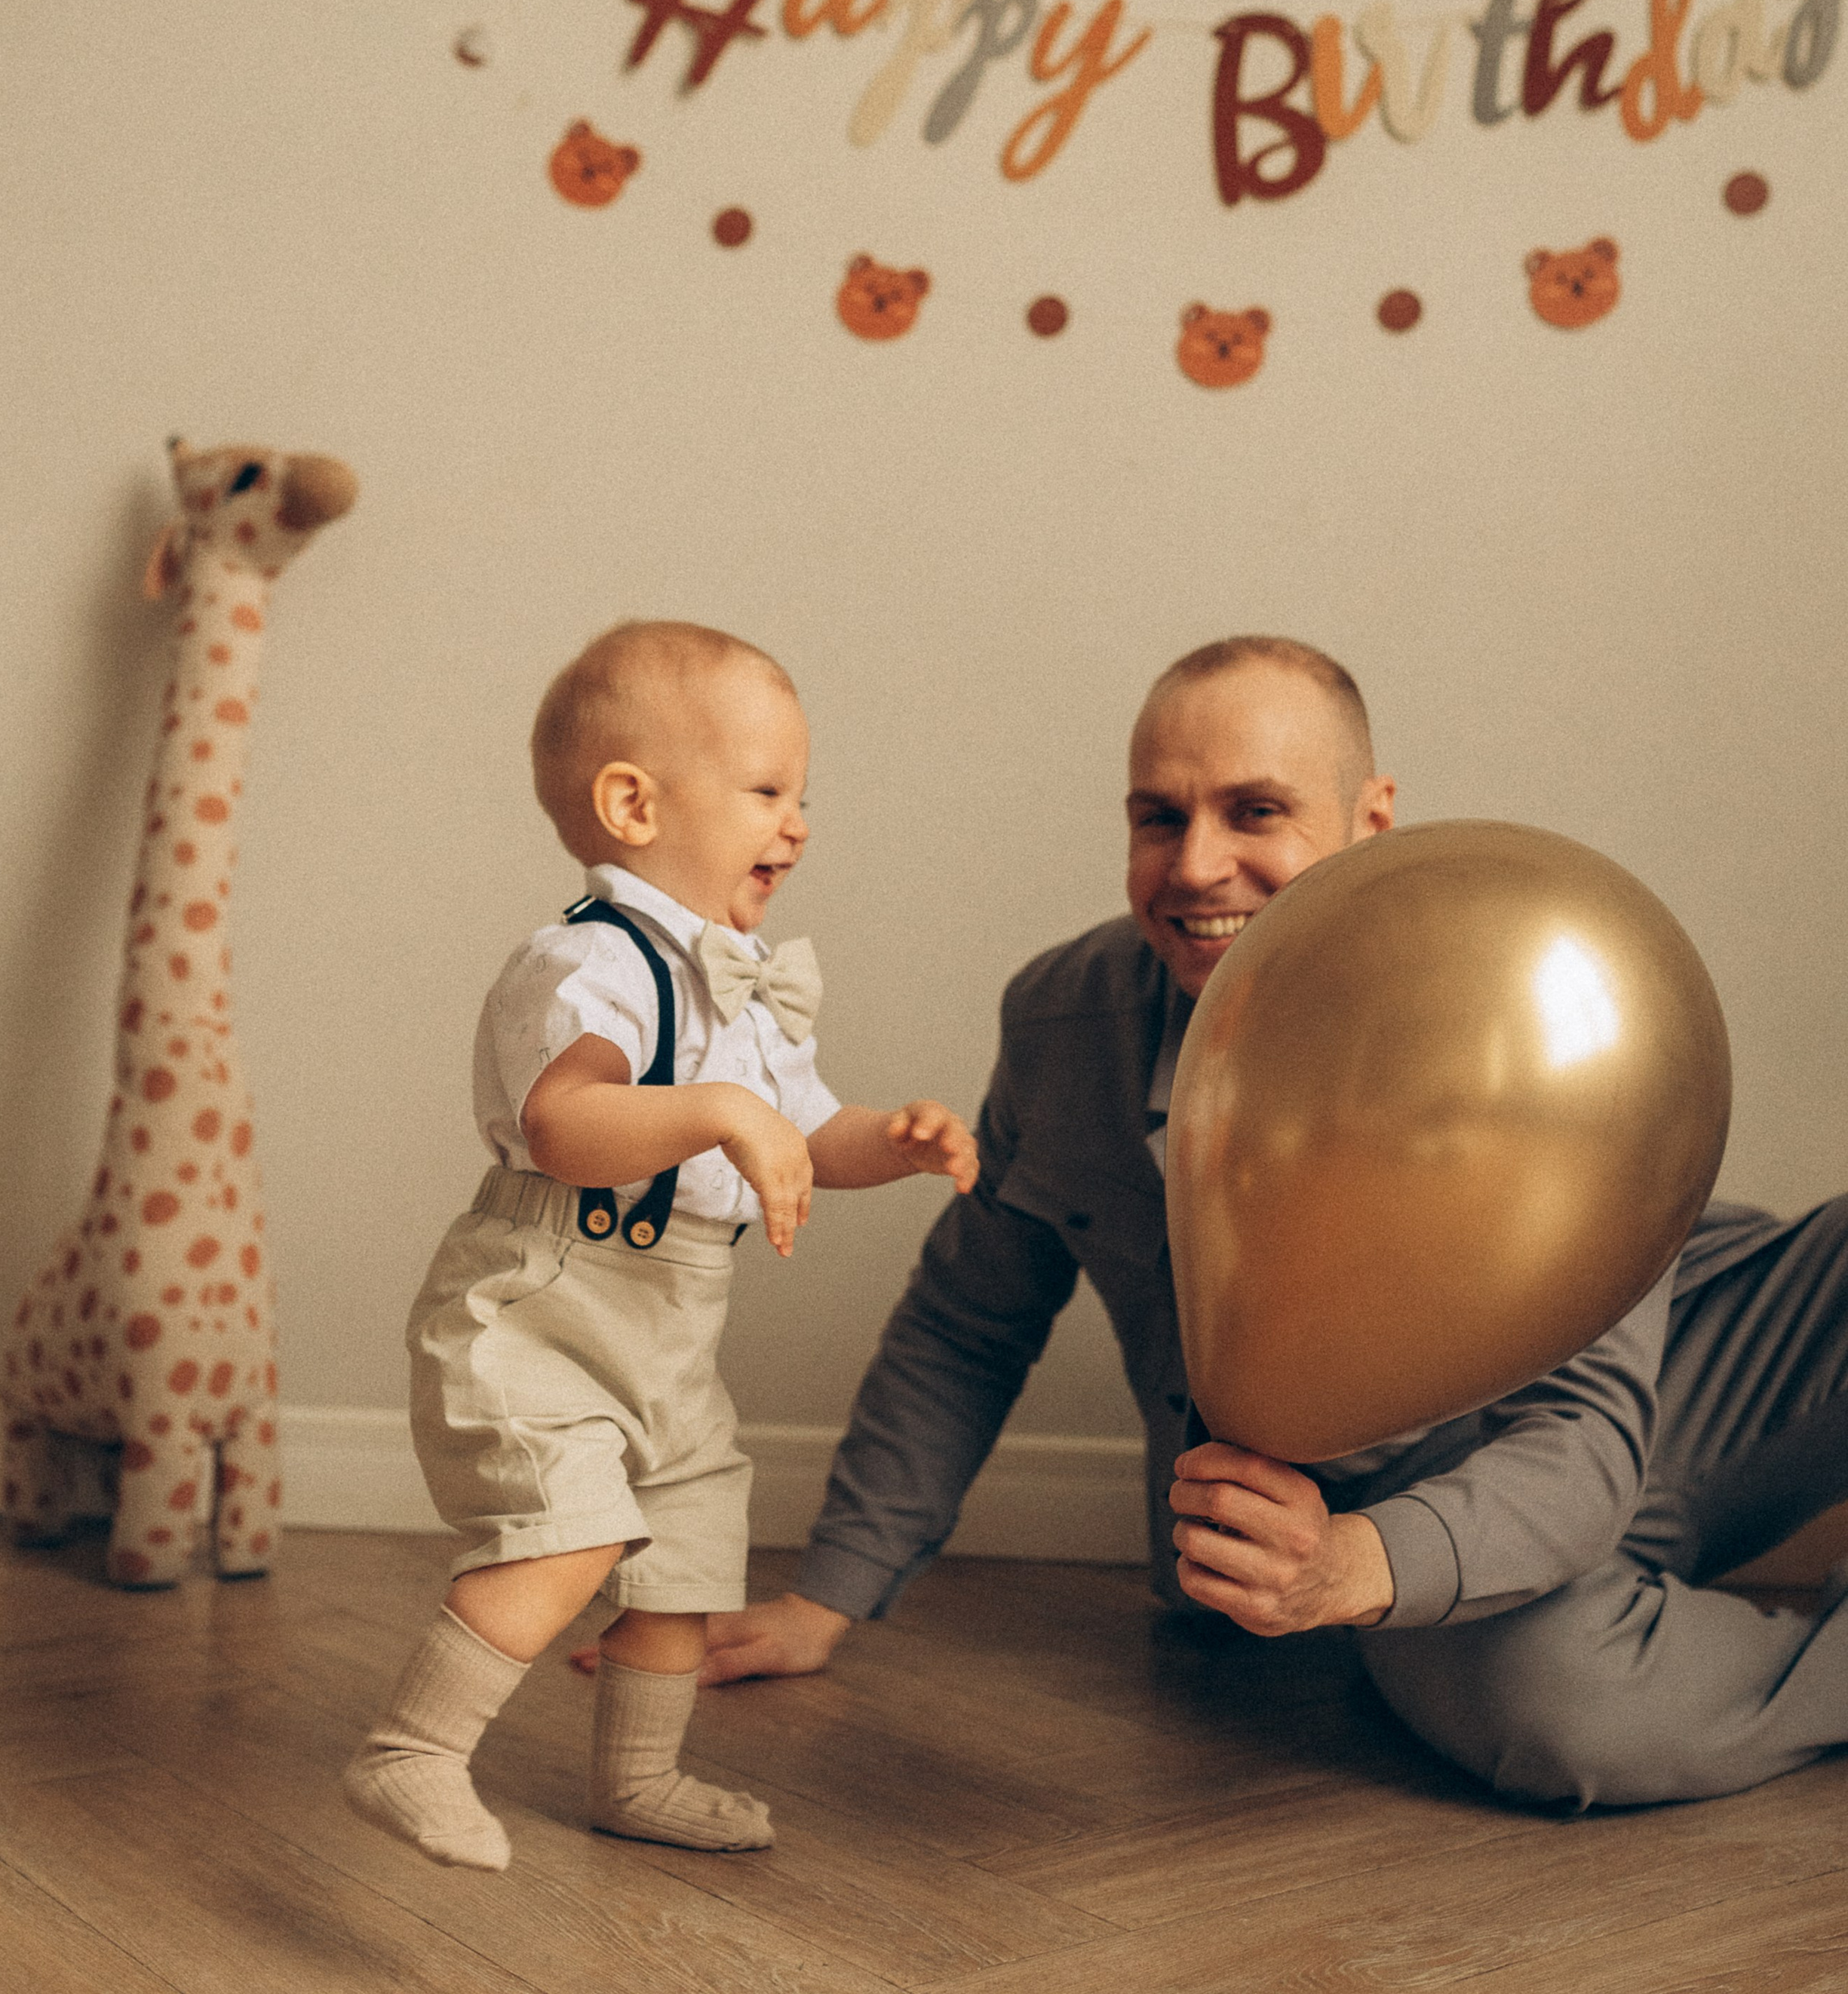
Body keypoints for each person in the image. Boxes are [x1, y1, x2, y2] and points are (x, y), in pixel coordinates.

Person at [693, 633, 1848, 1814]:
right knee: (1556, 1712)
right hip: (1444, 1485)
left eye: (1256, 811)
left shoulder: (1519, 998)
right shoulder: (1064, 1022)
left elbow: (1585, 1435)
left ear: (1371, 819)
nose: (1198, 866)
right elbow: (967, 1325)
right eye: (1160, 818)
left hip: (1687, 1361)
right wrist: (827, 1593)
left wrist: (1352, 1564)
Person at [344, 620, 976, 1869]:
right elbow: (564, 1122)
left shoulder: (742, 984)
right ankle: (411, 1747)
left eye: (804, 797)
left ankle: (639, 1776)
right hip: (548, 1306)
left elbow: (806, 1134)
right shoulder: (590, 961)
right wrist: (717, 1109)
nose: (798, 825)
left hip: (673, 1327)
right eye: (768, 791)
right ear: (634, 804)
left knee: (688, 1555)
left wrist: (889, 1141)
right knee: (570, 1530)